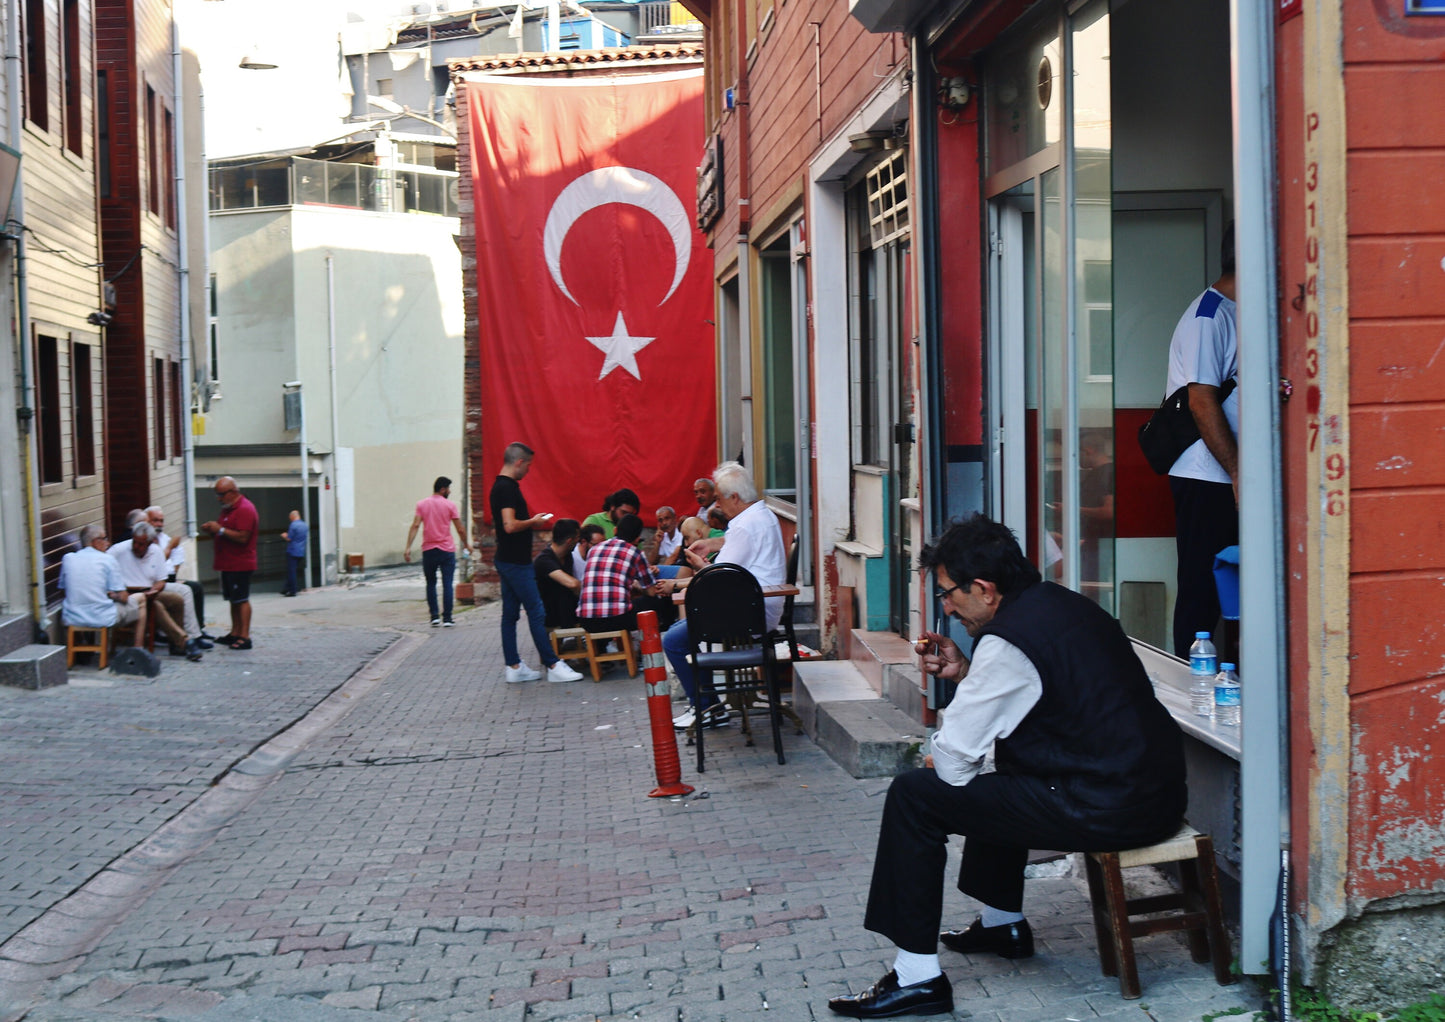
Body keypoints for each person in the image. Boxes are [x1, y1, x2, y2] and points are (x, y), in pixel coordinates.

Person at [827, 515, 1186, 1019]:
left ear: (985, 588)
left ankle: (916, 978)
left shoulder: (1006, 642)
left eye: (950, 594)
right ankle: (1003, 924)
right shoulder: (1067, 605)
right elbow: (1047, 699)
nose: (946, 608)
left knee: (915, 796)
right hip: (1156, 792)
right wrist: (969, 675)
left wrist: (946, 743)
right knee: (1004, 775)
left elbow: (952, 767)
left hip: (1107, 806)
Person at [657, 462, 786, 731]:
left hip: (749, 613)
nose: (716, 507)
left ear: (735, 497)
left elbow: (716, 577)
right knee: (681, 629)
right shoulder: (762, 514)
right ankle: (706, 706)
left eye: (718, 499)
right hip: (757, 606)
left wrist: (692, 569)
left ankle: (707, 707)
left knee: (673, 640)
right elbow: (735, 550)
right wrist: (713, 545)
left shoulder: (744, 526)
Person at [1166, 222, 1238, 656]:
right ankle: (1189, 701)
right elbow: (1201, 401)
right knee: (1201, 592)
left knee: (1234, 585)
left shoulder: (1245, 311)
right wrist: (1236, 472)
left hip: (1229, 476)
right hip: (1206, 477)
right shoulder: (1208, 317)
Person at [488, 442, 584, 683]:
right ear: (519, 462)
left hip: (507, 559)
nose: (529, 470)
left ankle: (514, 666)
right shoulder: (507, 488)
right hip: (515, 562)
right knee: (536, 611)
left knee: (510, 614)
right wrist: (533, 521)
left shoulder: (499, 486)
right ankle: (553, 665)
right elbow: (510, 525)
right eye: (528, 465)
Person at [109, 523, 205, 661]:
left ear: (150, 543)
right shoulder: (119, 550)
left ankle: (177, 644)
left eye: (141, 544)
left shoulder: (156, 551)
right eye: (135, 542)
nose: (137, 547)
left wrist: (154, 590)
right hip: (129, 594)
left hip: (149, 591)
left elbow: (161, 580)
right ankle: (184, 641)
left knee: (177, 600)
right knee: (156, 606)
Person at [59, 524, 146, 644]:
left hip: (72, 617)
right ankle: (138, 649)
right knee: (141, 599)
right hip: (103, 618)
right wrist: (112, 595)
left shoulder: (68, 558)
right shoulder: (107, 559)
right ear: (95, 542)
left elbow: (63, 590)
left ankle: (80, 647)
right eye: (105, 539)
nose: (108, 543)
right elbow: (123, 597)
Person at [199, 476, 258, 650]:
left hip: (240, 562)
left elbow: (243, 537)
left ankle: (245, 636)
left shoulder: (245, 509)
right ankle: (235, 632)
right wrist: (213, 530)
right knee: (233, 599)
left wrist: (220, 530)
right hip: (227, 562)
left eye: (222, 494)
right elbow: (225, 532)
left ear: (233, 492)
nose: (219, 498)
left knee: (241, 599)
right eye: (217, 494)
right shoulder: (228, 509)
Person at [578, 514, 661, 635]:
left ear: (615, 530)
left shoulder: (593, 550)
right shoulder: (636, 553)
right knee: (653, 601)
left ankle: (605, 647)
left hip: (586, 620)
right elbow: (651, 591)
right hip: (618, 619)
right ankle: (648, 644)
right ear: (637, 539)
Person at [404, 476, 471, 627]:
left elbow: (415, 526)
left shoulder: (422, 504)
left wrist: (408, 547)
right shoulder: (450, 505)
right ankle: (447, 618)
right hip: (447, 550)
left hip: (429, 550)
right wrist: (466, 544)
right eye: (448, 488)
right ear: (443, 489)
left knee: (431, 583)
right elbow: (459, 528)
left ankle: (434, 616)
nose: (449, 491)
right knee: (447, 583)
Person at [146, 505, 212, 642]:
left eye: (161, 521)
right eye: (155, 520)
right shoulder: (146, 541)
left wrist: (172, 575)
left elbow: (175, 564)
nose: (159, 524)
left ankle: (198, 628)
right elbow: (156, 564)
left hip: (168, 578)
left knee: (196, 587)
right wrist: (170, 548)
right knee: (186, 590)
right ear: (146, 521)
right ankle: (191, 635)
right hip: (153, 582)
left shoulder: (164, 538)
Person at [533, 517, 581, 629]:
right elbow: (572, 584)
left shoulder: (567, 556)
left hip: (565, 609)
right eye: (577, 539)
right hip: (549, 611)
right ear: (569, 541)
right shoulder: (544, 560)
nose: (578, 542)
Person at [649, 505, 684, 579]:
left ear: (675, 518)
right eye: (660, 520)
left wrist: (660, 571)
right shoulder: (663, 536)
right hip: (672, 572)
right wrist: (657, 543)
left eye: (667, 518)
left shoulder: (682, 532)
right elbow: (652, 562)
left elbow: (673, 558)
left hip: (684, 571)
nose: (664, 523)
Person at [280, 510, 308, 597]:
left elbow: (289, 538)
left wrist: (284, 535)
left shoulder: (293, 525)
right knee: (292, 570)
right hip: (301, 550)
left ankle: (292, 591)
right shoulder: (305, 525)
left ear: (292, 516)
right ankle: (286, 588)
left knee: (291, 571)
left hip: (292, 551)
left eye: (290, 517)